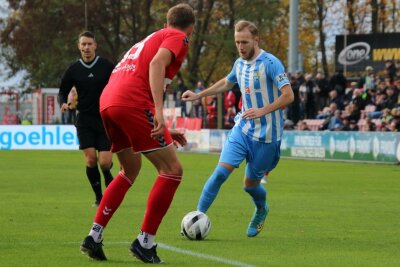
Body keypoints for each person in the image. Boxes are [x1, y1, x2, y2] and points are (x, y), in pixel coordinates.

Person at [79, 4, 195, 264]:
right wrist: (158, 111)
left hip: (109, 102)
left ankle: (94, 236)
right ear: (191, 27)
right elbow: (156, 65)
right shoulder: (178, 36)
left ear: (166, 21)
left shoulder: (151, 38)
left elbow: (144, 70)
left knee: (128, 169)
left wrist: (162, 126)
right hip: (132, 101)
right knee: (172, 170)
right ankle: (145, 242)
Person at [182, 20, 294, 237]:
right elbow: (226, 82)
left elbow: (289, 95)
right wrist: (199, 95)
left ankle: (261, 209)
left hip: (267, 138)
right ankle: (196, 218)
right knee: (219, 174)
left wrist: (263, 110)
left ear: (256, 40)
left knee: (249, 186)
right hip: (242, 130)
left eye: (244, 42)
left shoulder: (271, 63)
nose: (240, 46)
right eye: (237, 42)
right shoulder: (239, 63)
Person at [59, 31, 115, 207]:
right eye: (83, 44)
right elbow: (63, 90)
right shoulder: (74, 69)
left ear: (95, 46)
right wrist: (63, 103)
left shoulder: (106, 66)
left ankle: (107, 175)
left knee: (105, 163)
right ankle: (99, 198)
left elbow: (119, 84)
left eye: (89, 44)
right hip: (84, 120)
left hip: (105, 119)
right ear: (79, 47)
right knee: (91, 160)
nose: (86, 47)